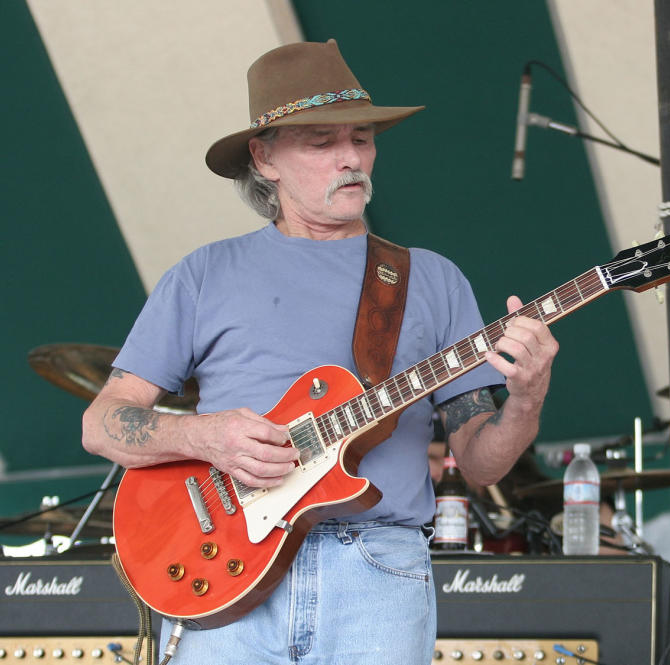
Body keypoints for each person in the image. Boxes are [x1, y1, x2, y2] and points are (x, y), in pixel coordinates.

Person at [80, 40, 558, 664]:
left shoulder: (431, 279)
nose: (351, 158)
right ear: (264, 157)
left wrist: (526, 398)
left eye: (361, 138)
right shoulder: (205, 275)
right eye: (321, 143)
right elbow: (102, 422)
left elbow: (481, 463)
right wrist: (206, 437)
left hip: (377, 569)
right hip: (227, 567)